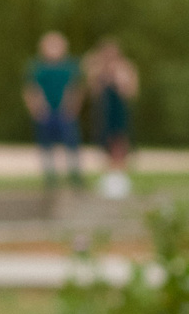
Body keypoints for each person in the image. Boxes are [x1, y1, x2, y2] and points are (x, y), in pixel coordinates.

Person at [23, 32, 84, 190]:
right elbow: (30, 90)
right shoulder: (38, 67)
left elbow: (77, 89)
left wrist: (73, 108)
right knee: (46, 145)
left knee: (71, 143)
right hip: (45, 112)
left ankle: (74, 174)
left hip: (65, 112)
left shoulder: (70, 67)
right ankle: (50, 177)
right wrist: (36, 109)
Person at [84, 38, 138, 198]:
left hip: (119, 110)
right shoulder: (97, 70)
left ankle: (121, 176)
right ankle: (109, 177)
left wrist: (118, 78)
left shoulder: (125, 68)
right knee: (104, 142)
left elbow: (131, 92)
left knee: (120, 142)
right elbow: (92, 90)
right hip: (103, 113)